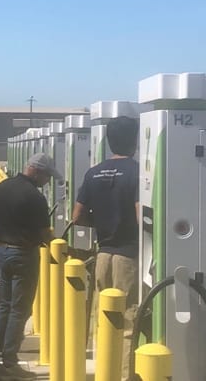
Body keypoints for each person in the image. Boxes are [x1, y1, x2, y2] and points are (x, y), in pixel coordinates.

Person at [71, 116, 139, 380]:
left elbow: (77, 216)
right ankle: (122, 375)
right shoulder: (136, 172)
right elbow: (138, 215)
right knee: (128, 319)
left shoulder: (94, 172)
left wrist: (100, 223)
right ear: (134, 141)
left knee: (104, 314)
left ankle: (104, 368)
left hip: (103, 252)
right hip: (128, 254)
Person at [0, 152, 60, 380]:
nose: (47, 181)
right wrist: (60, 249)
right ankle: (10, 361)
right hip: (24, 254)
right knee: (20, 309)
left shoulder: (4, 187)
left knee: (4, 306)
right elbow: (45, 234)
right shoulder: (35, 197)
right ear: (36, 171)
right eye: (47, 176)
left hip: (3, 251)